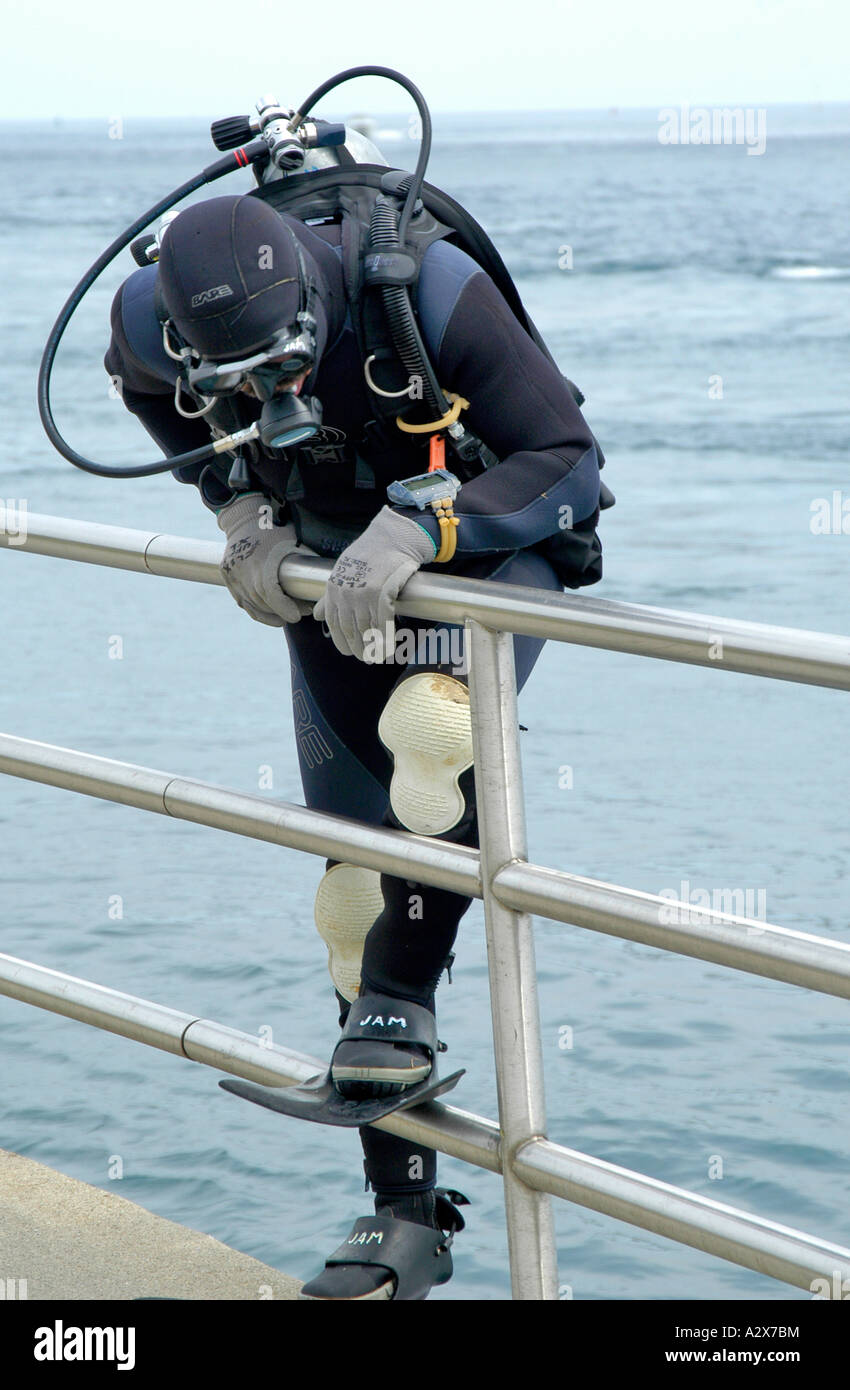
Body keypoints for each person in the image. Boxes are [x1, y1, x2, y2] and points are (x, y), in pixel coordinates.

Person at [104, 187, 608, 1300]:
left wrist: (431, 522)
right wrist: (233, 501)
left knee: (432, 729)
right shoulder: (149, 320)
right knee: (346, 902)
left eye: (286, 366)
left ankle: (399, 1002)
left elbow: (569, 458)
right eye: (239, 385)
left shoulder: (422, 289)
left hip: (490, 551)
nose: (272, 399)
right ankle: (404, 1214)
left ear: (312, 307)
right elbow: (134, 383)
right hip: (334, 571)